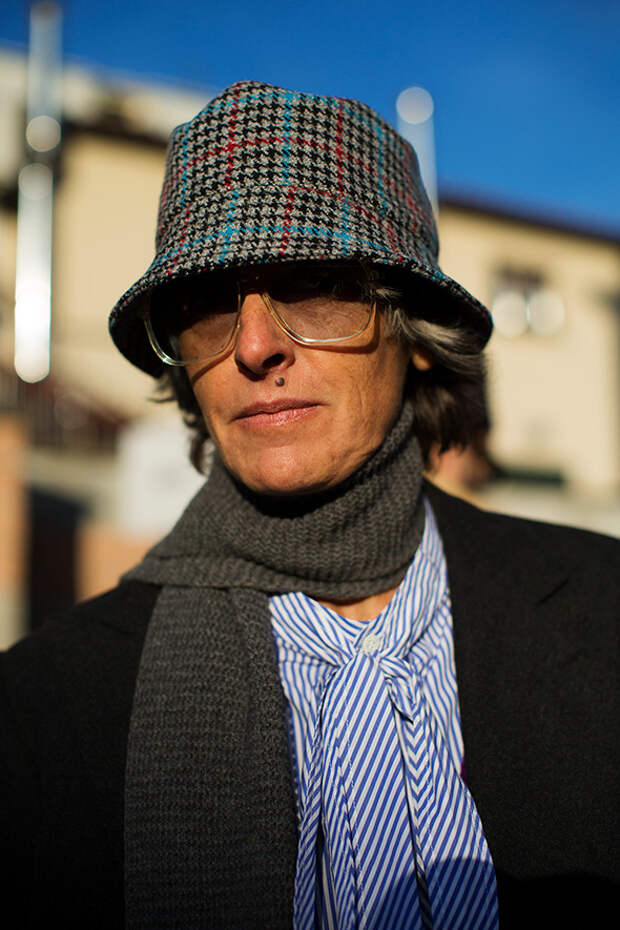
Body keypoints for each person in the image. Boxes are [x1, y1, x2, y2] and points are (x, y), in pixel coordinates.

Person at [1, 80, 618, 930]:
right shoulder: (44, 710)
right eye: (205, 306)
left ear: (415, 330)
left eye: (316, 283)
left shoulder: (601, 607)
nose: (254, 346)